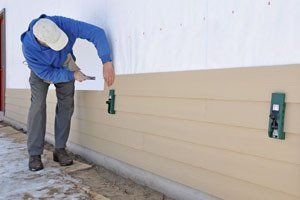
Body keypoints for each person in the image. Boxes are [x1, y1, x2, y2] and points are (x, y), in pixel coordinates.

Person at [21, 14, 115, 171]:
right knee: (37, 106)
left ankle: (60, 149)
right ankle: (35, 154)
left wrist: (106, 61)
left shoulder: (62, 23)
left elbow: (96, 33)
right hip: (41, 72)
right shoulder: (28, 47)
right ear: (41, 41)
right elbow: (47, 75)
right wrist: (72, 75)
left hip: (65, 63)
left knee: (66, 105)